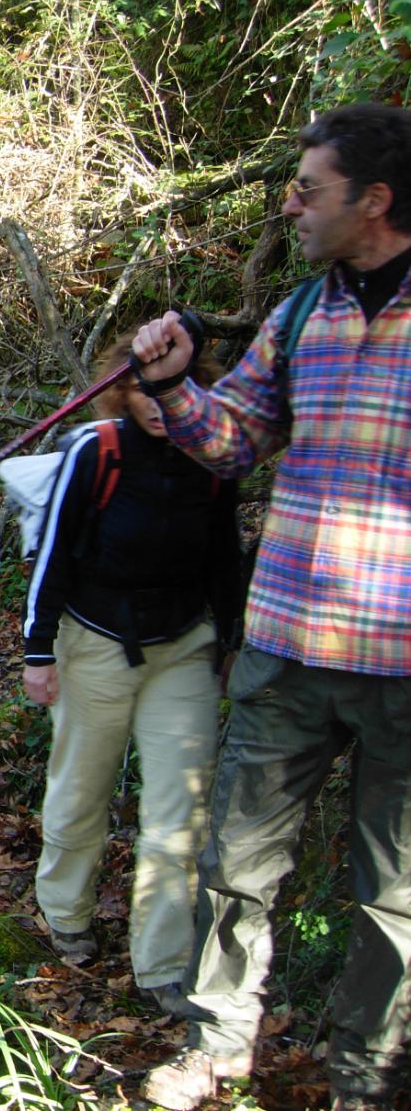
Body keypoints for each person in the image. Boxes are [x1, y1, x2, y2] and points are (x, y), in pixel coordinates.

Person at [131, 102, 411, 1111]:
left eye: (309, 189)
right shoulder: (300, 315)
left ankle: (362, 1081)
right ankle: (215, 1051)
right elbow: (234, 439)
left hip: (404, 669)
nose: (290, 205)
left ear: (374, 202)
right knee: (236, 868)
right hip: (288, 647)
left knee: (393, 904)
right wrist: (171, 387)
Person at [23, 334, 242, 1018]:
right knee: (80, 789)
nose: (155, 403)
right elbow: (53, 552)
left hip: (181, 646)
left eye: (167, 389)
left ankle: (164, 964)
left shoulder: (213, 457)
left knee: (179, 811)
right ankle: (65, 910)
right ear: (121, 390)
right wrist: (38, 649)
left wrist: (231, 640)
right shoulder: (98, 450)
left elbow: (225, 554)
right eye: (141, 389)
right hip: (92, 641)